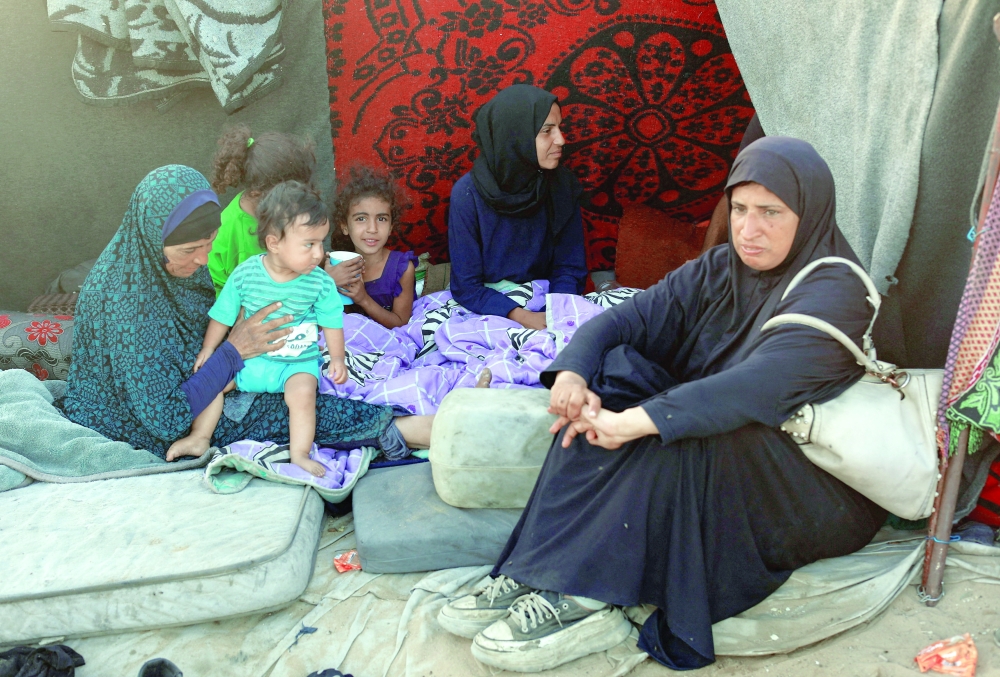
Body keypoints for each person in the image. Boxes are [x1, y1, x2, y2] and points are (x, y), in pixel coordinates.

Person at [437, 138, 887, 672]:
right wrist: (575, 375)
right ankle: (540, 562)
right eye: (739, 209)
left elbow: (757, 386)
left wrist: (635, 423)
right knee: (616, 375)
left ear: (808, 212)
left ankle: (588, 596)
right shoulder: (722, 267)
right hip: (733, 442)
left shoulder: (835, 287)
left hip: (807, 486)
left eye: (771, 212)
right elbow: (623, 320)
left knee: (680, 432)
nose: (749, 229)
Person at [62, 165, 433, 464]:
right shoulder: (129, 304)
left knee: (299, 386)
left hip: (206, 382)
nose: (204, 259)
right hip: (143, 419)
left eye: (210, 243)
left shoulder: (170, 268)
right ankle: (412, 430)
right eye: (191, 249)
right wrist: (232, 353)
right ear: (150, 236)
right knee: (288, 409)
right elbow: (165, 418)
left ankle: (414, 425)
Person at [172, 181, 349, 476]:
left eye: (321, 242)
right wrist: (209, 349)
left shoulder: (319, 282)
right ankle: (200, 438)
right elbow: (223, 315)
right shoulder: (246, 274)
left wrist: (338, 358)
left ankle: (300, 454)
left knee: (303, 394)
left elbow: (332, 321)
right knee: (212, 381)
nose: (319, 253)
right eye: (309, 244)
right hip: (251, 362)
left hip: (295, 364)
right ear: (274, 243)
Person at [448, 85, 587, 330]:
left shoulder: (561, 186)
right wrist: (522, 317)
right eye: (547, 130)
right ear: (516, 135)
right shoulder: (467, 194)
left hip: (549, 301)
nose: (561, 140)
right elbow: (467, 286)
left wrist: (555, 316)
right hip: (490, 308)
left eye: (559, 127)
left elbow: (570, 267)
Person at [207, 125, 316, 293]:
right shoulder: (226, 235)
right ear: (258, 194)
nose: (297, 204)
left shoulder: (292, 208)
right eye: (290, 198)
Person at [326, 165, 417, 329]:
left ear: (390, 227)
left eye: (381, 219)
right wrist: (327, 282)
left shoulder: (402, 269)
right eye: (361, 219)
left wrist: (363, 299)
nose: (372, 229)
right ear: (345, 226)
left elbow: (401, 324)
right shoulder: (334, 267)